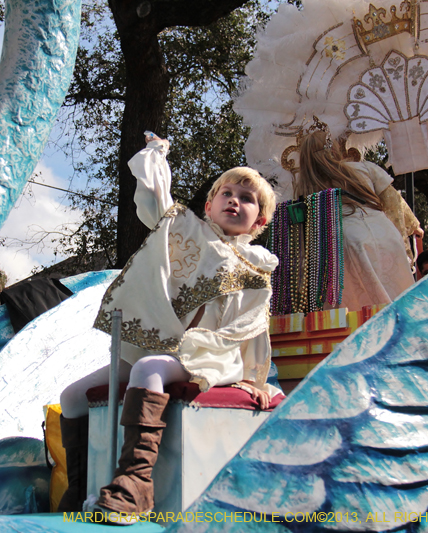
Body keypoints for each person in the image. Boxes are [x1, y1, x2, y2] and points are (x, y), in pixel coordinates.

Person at [57, 134, 283, 523]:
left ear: (259, 219)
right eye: (226, 192)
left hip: (208, 355)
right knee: (74, 395)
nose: (234, 200)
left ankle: (135, 484)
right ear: (208, 205)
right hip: (159, 346)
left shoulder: (258, 268)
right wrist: (157, 158)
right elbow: (158, 205)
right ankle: (79, 489)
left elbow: (250, 329)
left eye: (247, 199)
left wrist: (254, 379)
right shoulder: (185, 231)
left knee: (149, 370)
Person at [296, 129, 421, 311]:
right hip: (384, 233)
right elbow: (394, 203)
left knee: (356, 310)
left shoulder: (306, 186)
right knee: (400, 301)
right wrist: (407, 237)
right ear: (334, 150)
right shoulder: (364, 167)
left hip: (341, 243)